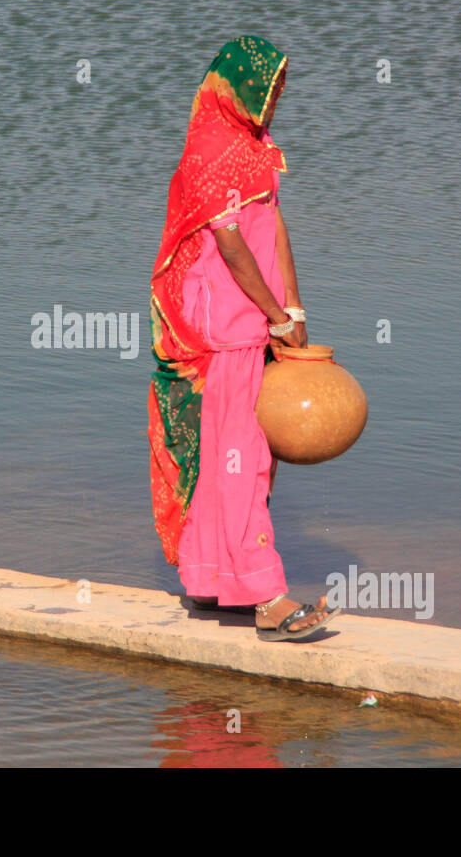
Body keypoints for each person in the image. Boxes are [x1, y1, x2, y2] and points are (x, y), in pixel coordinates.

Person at [147, 35, 339, 641]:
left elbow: (274, 226)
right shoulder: (210, 150)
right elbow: (229, 243)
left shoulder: (254, 147)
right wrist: (271, 315)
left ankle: (209, 583)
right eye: (268, 88)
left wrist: (293, 307)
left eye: (281, 90)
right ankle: (267, 600)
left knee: (227, 454)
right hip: (225, 328)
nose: (275, 100)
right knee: (244, 460)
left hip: (255, 319)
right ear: (235, 88)